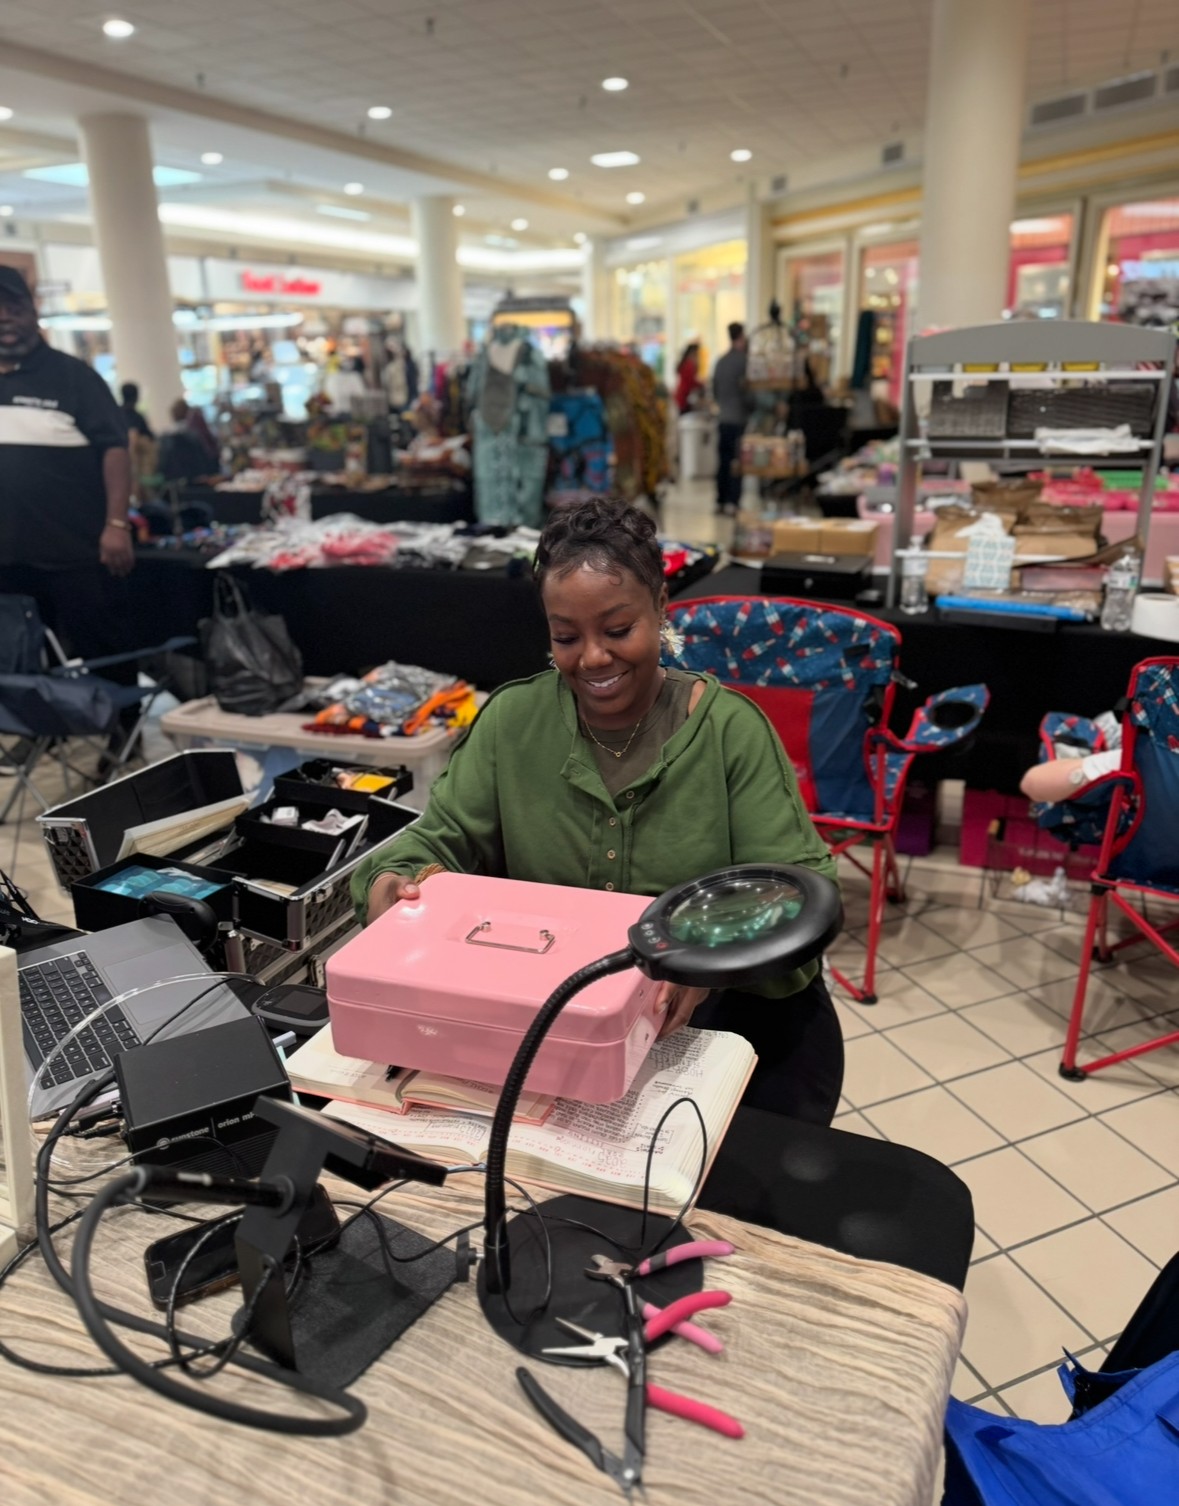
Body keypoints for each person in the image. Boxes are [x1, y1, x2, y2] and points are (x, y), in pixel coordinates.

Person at [351, 497, 844, 1125]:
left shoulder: (729, 733)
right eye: (566, 636)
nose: (591, 658)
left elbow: (799, 891)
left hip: (720, 1033)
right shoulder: (512, 723)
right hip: (556, 1035)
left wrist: (701, 961)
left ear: (660, 607)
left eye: (617, 631)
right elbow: (434, 843)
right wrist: (394, 887)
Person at [0, 266, 136, 717]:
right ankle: (44, 733)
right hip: (7, 558)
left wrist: (116, 524)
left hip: (76, 551)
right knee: (20, 657)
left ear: (33, 311)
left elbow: (115, 449)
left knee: (103, 647)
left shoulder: (73, 377)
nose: (4, 316)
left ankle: (122, 734)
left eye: (13, 306)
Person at [712, 322, 749, 514]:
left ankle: (720, 499)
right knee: (736, 462)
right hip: (738, 419)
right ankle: (733, 502)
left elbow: (715, 390)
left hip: (723, 418)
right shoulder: (744, 362)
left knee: (723, 461)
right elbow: (749, 392)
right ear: (741, 337)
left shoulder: (721, 362)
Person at [157, 398, 216, 482]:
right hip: (196, 478)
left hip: (173, 479)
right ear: (187, 412)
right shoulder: (193, 435)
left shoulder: (165, 437)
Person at [674, 341, 702, 415]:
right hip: (683, 396)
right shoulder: (689, 364)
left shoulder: (686, 362)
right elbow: (691, 381)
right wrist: (702, 384)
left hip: (681, 394)